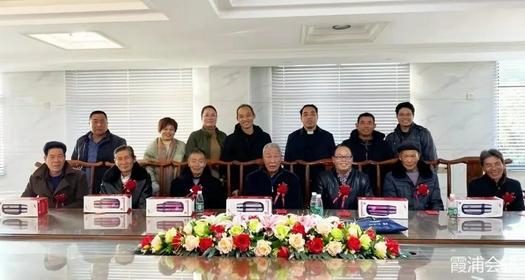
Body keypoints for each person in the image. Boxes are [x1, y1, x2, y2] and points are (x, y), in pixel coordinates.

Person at [71, 110, 126, 194]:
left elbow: (124, 164)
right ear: (89, 123)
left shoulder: (119, 141)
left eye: (102, 121)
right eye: (95, 121)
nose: (99, 125)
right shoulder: (81, 141)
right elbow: (74, 163)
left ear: (107, 123)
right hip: (83, 186)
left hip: (110, 186)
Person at [284, 104, 335, 192]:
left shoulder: (328, 136)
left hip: (322, 181)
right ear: (301, 118)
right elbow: (287, 162)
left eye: (312, 114)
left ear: (317, 116)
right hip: (298, 180)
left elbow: (333, 161)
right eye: (305, 114)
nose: (309, 117)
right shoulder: (292, 137)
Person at [221, 104, 271, 192]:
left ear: (253, 115)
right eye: (241, 116)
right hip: (239, 184)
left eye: (248, 115)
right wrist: (234, 188)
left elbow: (269, 161)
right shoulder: (230, 139)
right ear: (237, 119)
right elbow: (226, 166)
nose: (245, 119)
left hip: (261, 183)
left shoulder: (265, 137)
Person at [22, 141, 88, 208]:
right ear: (45, 159)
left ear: (64, 157)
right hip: (45, 215)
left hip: (70, 215)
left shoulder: (79, 176)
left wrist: (61, 211)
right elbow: (25, 200)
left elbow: (82, 202)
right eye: (52, 157)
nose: (56, 160)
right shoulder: (35, 177)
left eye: (60, 156)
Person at [341, 112, 394, 194]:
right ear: (356, 125)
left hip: (379, 185)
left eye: (369, 123)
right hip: (352, 186)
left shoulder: (384, 145)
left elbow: (391, 166)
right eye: (362, 123)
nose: (366, 126)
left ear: (374, 126)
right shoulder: (347, 144)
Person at [383, 142, 444, 210]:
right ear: (400, 157)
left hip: (426, 218)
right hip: (403, 218)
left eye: (413, 156)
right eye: (406, 156)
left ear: (419, 156)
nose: (409, 160)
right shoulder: (391, 177)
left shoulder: (432, 177)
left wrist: (433, 218)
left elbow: (437, 203)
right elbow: (391, 205)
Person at [244, 143, 302, 209]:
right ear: (263, 159)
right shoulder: (251, 178)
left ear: (281, 158)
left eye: (276, 156)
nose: (272, 161)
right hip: (259, 217)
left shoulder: (292, 178)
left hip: (285, 217)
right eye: (268, 157)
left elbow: (296, 207)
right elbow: (249, 206)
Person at [315, 144, 373, 209]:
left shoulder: (363, 178)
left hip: (355, 217)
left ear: (352, 159)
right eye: (339, 157)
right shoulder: (323, 178)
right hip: (330, 217)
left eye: (347, 156)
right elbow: (317, 205)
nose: (344, 160)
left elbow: (369, 204)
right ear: (333, 159)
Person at [143, 117, 186, 195]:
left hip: (178, 183)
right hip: (156, 185)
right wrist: (153, 183)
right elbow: (148, 167)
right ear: (160, 130)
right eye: (165, 129)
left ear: (175, 131)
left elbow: (186, 164)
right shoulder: (152, 146)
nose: (168, 132)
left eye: (171, 129)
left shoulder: (182, 145)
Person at [185, 105, 227, 177]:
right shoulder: (195, 135)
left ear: (216, 118)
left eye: (213, 115)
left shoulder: (223, 135)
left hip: (221, 174)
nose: (210, 118)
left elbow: (227, 156)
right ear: (202, 118)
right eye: (206, 115)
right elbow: (188, 156)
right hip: (200, 173)